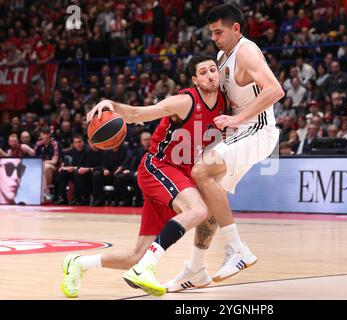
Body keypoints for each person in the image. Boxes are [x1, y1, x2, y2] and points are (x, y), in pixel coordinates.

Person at [61, 56, 225, 298]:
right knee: (199, 210)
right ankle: (146, 269)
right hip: (158, 167)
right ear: (195, 80)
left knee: (138, 254)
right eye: (203, 72)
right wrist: (111, 105)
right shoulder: (184, 101)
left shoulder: (225, 101)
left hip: (179, 176)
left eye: (213, 70)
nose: (210, 75)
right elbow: (138, 114)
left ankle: (77, 263)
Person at [165, 4, 284, 292]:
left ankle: (237, 249)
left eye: (219, 32)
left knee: (201, 171)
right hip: (238, 133)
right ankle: (195, 269)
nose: (214, 38)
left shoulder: (246, 50)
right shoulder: (221, 57)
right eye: (211, 33)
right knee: (209, 202)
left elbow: (275, 90)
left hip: (257, 130)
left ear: (236, 29)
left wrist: (238, 118)